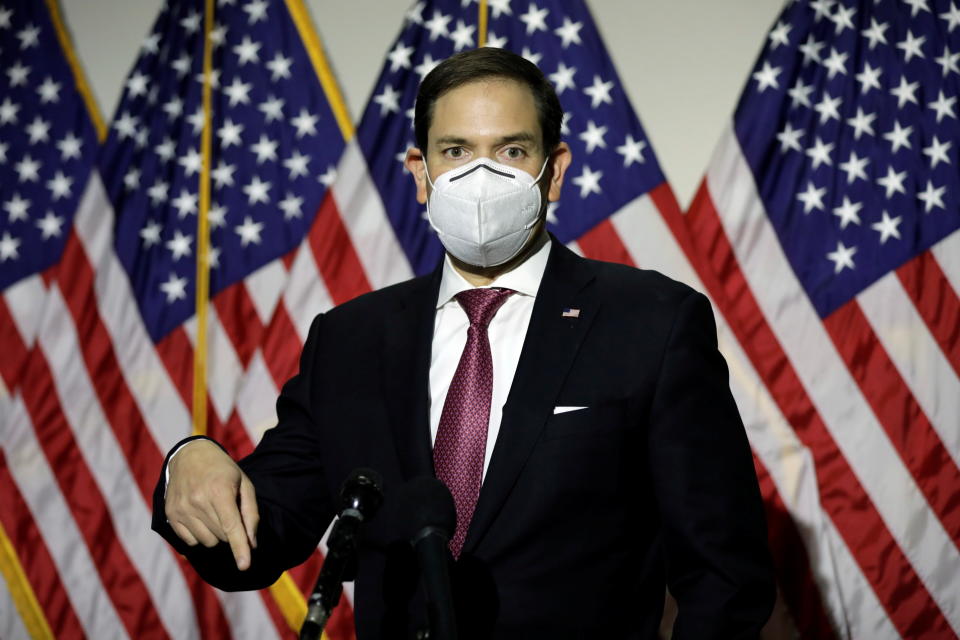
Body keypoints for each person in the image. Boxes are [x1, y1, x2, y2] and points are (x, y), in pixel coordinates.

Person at [153, 47, 775, 639]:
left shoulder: (652, 322)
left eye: (510, 150)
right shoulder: (349, 339)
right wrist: (188, 459)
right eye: (455, 150)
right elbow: (255, 546)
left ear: (552, 172)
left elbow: (725, 572)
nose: (482, 175)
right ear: (420, 174)